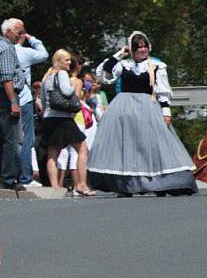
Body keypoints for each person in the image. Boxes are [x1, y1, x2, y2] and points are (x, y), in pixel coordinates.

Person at [89, 31, 197, 196]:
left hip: (148, 107)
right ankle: (126, 185)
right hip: (124, 109)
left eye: (144, 46)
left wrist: (166, 111)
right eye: (138, 47)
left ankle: (160, 183)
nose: (142, 50)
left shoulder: (156, 66)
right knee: (126, 146)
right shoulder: (124, 65)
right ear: (132, 49)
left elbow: (162, 90)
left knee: (154, 144)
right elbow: (104, 74)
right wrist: (120, 54)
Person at [41, 49, 95, 196]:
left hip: (49, 117)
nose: (70, 63)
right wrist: (75, 87)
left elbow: (44, 100)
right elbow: (66, 91)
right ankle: (82, 184)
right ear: (59, 61)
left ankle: (54, 188)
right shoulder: (62, 74)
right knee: (83, 148)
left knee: (53, 154)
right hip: (63, 117)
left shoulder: (47, 76)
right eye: (67, 60)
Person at [0, 18, 27, 190]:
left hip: (1, 95)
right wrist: (13, 102)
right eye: (19, 32)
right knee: (11, 140)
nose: (22, 35)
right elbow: (6, 78)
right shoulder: (5, 49)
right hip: (6, 96)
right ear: (8, 32)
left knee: (0, 138)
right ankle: (8, 179)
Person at [14, 31, 49, 187]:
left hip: (7, 100)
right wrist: (31, 37)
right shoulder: (23, 52)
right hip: (24, 99)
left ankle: (11, 175)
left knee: (11, 140)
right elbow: (44, 54)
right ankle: (25, 177)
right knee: (27, 139)